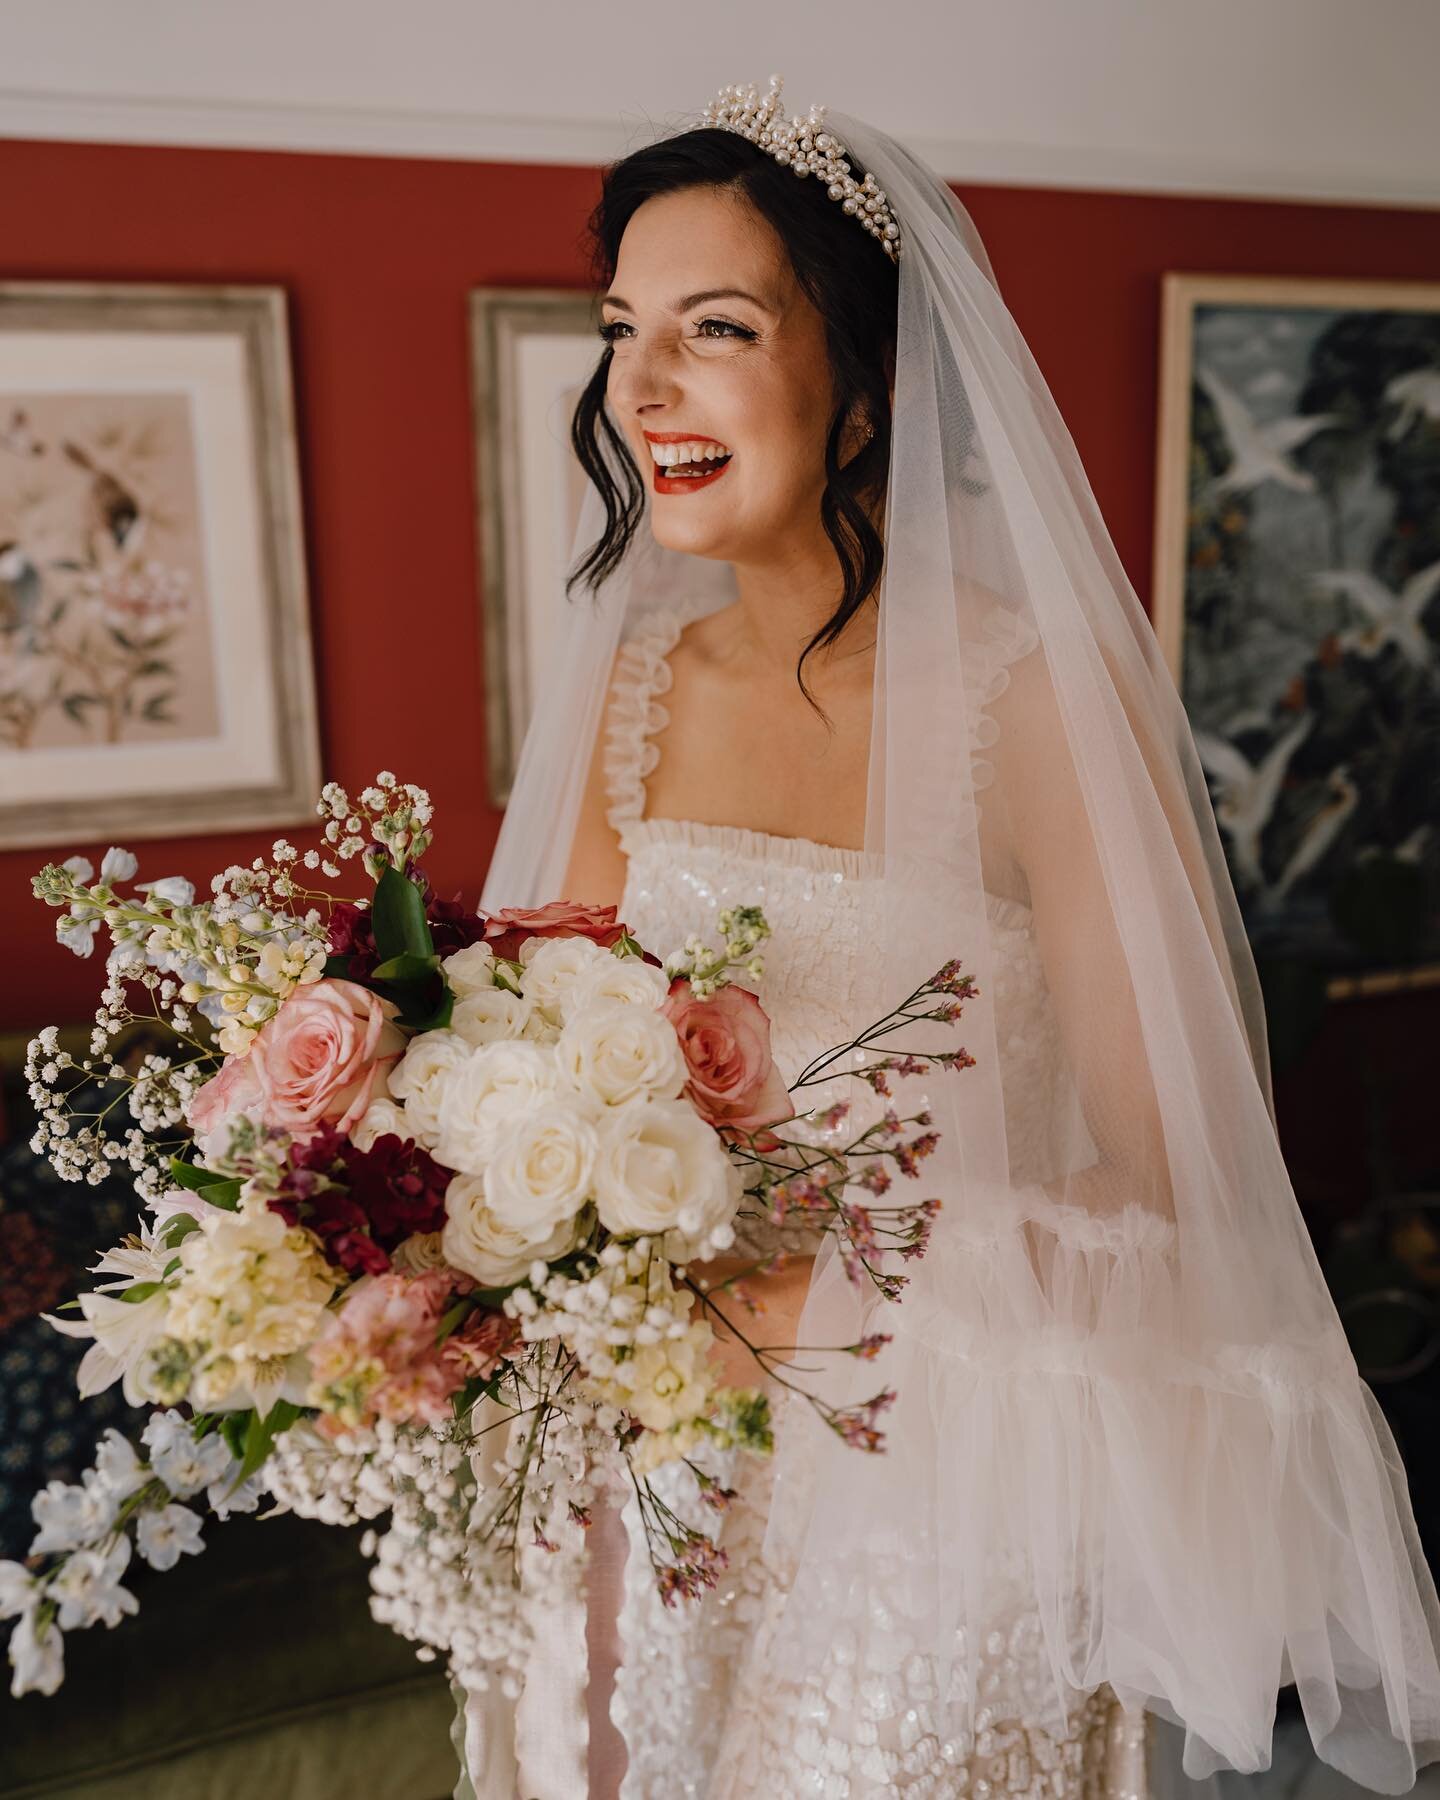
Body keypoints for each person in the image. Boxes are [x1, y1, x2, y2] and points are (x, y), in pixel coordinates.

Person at [466, 75, 1440, 1800]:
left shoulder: (1034, 702)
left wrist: (813, 1295)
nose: (645, 384)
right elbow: (519, 1074)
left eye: (716, 326)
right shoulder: (627, 694)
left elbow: (1170, 1180)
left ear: (866, 393)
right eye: (625, 328)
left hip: (935, 1489)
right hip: (659, 1465)